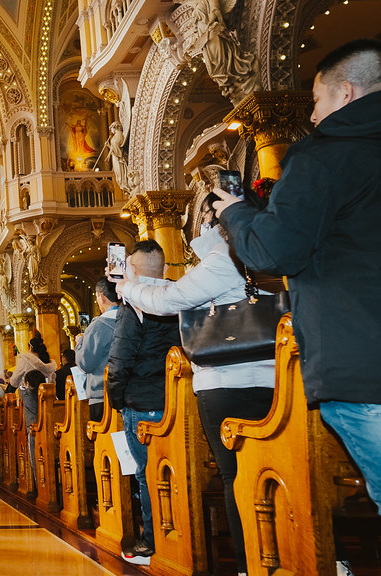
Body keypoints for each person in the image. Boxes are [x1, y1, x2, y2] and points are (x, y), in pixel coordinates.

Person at [214, 39, 381, 511]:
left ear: (345, 93)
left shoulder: (324, 155)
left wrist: (237, 215)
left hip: (362, 361)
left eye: (316, 101)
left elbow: (273, 251)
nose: (310, 116)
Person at [111, 195, 275, 575]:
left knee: (236, 475)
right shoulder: (276, 251)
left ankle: (250, 563)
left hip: (227, 380)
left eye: (206, 213)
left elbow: (173, 299)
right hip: (275, 376)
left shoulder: (227, 258)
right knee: (271, 470)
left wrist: (129, 288)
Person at [105, 239, 180, 565]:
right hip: (178, 400)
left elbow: (120, 359)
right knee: (175, 473)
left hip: (142, 402)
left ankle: (152, 542)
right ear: (164, 268)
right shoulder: (181, 296)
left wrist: (117, 399)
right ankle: (181, 537)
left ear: (129, 269)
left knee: (148, 475)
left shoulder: (132, 304)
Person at [76, 279, 122, 422]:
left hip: (102, 396)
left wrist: (79, 343)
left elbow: (85, 364)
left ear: (101, 296)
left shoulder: (98, 325)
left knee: (104, 443)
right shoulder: (130, 320)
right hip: (127, 394)